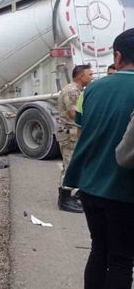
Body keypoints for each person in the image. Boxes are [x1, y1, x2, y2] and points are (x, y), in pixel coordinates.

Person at [63, 28, 134, 289]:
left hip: (90, 185)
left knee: (99, 250)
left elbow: (81, 132)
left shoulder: (91, 90)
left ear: (117, 57)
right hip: (125, 191)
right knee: (121, 259)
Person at [56, 64, 93, 213]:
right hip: (70, 133)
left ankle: (68, 197)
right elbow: (74, 114)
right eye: (89, 75)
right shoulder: (72, 91)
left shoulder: (77, 90)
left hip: (72, 132)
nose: (92, 77)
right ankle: (64, 200)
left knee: (70, 164)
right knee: (70, 165)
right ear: (80, 76)